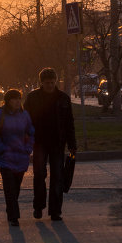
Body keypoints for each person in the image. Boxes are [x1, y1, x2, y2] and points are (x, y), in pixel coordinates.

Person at [24, 67, 76, 222]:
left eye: (53, 82)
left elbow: (69, 123)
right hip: (39, 142)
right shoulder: (33, 97)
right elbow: (25, 120)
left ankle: (55, 211)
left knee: (57, 177)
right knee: (39, 175)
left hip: (58, 144)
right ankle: (38, 206)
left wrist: (72, 144)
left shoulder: (63, 98)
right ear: (41, 82)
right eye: (47, 83)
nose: (50, 86)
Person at [0, 89, 34, 226]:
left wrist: (28, 148)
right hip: (5, 157)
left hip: (20, 156)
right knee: (9, 187)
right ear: (8, 101)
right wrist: (1, 148)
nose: (18, 101)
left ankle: (10, 210)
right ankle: (14, 216)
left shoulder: (24, 115)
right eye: (14, 99)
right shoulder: (0, 114)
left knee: (16, 187)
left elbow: (31, 133)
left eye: (19, 98)